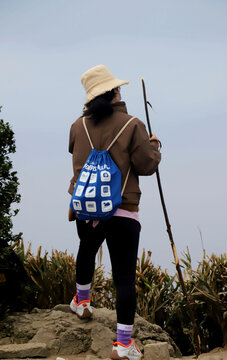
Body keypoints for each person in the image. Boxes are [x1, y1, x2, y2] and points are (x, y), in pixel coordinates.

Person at [68, 64, 161, 360]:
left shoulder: (77, 126)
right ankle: (122, 346)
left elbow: (76, 153)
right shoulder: (132, 124)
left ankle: (81, 302)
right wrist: (155, 146)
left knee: (86, 249)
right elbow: (147, 166)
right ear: (115, 93)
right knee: (123, 278)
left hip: (85, 208)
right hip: (122, 210)